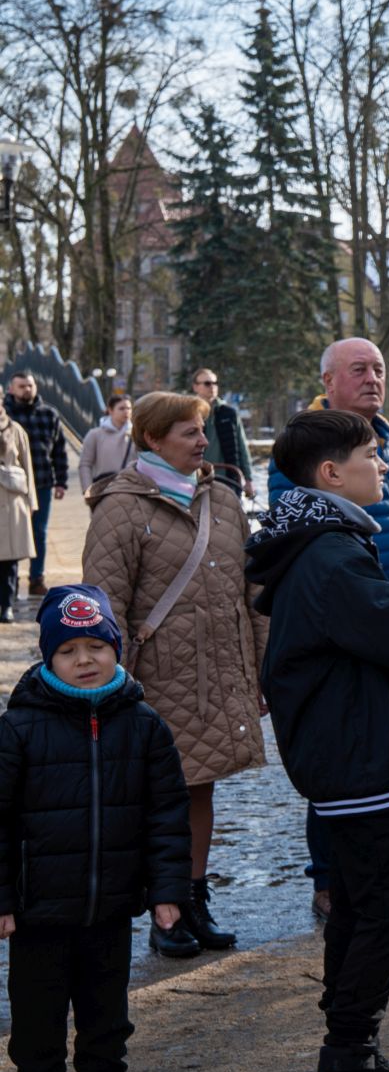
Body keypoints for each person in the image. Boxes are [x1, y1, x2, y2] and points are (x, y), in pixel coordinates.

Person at [245, 409, 389, 1072]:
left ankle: (355, 1054)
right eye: (372, 454)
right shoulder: (330, 555)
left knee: (363, 907)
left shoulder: (326, 542)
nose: (385, 464)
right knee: (385, 909)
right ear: (331, 473)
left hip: (352, 750)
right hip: (355, 756)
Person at [0, 586, 190, 1072]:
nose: (85, 659)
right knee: (37, 1025)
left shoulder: (144, 725)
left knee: (107, 1019)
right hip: (38, 915)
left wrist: (167, 890)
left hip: (110, 909)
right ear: (48, 657)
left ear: (116, 648)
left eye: (96, 646)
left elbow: (167, 815)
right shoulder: (17, 729)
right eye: (69, 650)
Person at [83, 391, 267, 954]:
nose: (203, 441)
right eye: (189, 431)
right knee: (157, 799)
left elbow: (254, 594)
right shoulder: (120, 507)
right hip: (153, 682)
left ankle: (192, 899)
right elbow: (104, 606)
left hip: (217, 675)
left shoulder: (223, 499)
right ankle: (164, 912)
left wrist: (261, 669)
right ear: (153, 438)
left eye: (202, 429)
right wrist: (108, 686)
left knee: (200, 789)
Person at [268, 337, 389, 920]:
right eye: (359, 369)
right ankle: (331, 878)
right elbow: (298, 530)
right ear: (328, 381)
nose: (373, 379)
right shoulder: (307, 446)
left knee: (388, 749)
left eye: (379, 369)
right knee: (346, 751)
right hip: (354, 620)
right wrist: (383, 610)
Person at [5, 371, 67, 598]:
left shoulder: (49, 414)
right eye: (21, 386)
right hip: (10, 486)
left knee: (39, 532)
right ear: (11, 389)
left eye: (30, 385)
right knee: (9, 532)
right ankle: (9, 581)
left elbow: (59, 451)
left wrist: (61, 482)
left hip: (42, 482)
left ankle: (36, 578)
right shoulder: (5, 416)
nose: (27, 390)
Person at [0, 399, 35, 623]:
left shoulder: (15, 430)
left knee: (9, 560)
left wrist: (31, 502)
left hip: (12, 503)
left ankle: (7, 605)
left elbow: (27, 466)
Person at [191, 369, 254, 492]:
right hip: (195, 479)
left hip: (228, 479)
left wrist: (248, 479)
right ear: (195, 387)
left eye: (215, 383)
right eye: (207, 383)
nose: (212, 387)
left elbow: (242, 446)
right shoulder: (187, 413)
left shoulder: (229, 413)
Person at [79, 394, 139, 489]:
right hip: (103, 488)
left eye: (129, 408)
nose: (126, 411)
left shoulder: (136, 435)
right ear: (110, 410)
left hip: (130, 488)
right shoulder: (95, 435)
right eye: (121, 408)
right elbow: (85, 464)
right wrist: (88, 489)